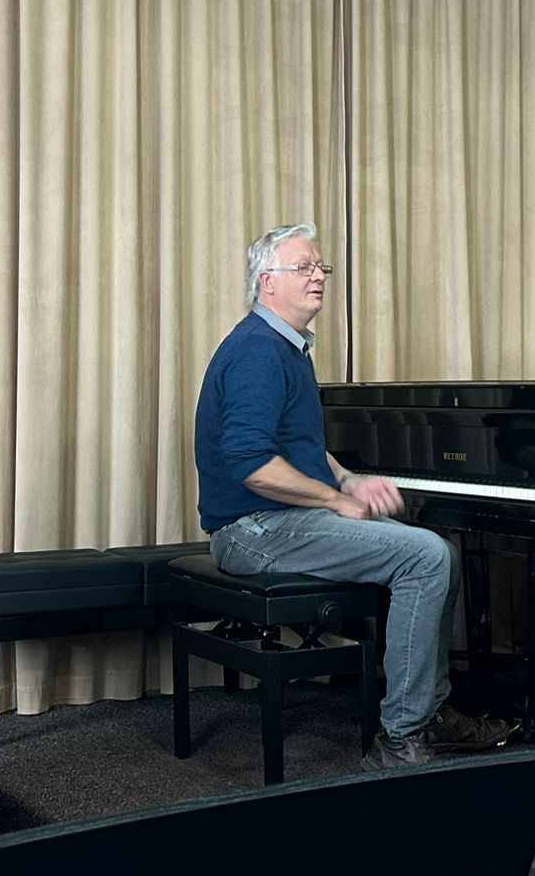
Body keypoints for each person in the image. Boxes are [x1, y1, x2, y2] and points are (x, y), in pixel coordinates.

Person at [194, 222, 514, 770]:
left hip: (279, 520)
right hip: (252, 530)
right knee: (425, 555)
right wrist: (336, 502)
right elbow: (252, 465)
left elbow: (301, 448)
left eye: (321, 267)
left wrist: (347, 480)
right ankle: (402, 736)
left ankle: (429, 712)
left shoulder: (285, 347)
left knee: (439, 552)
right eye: (303, 267)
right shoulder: (257, 352)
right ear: (267, 281)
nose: (318, 276)